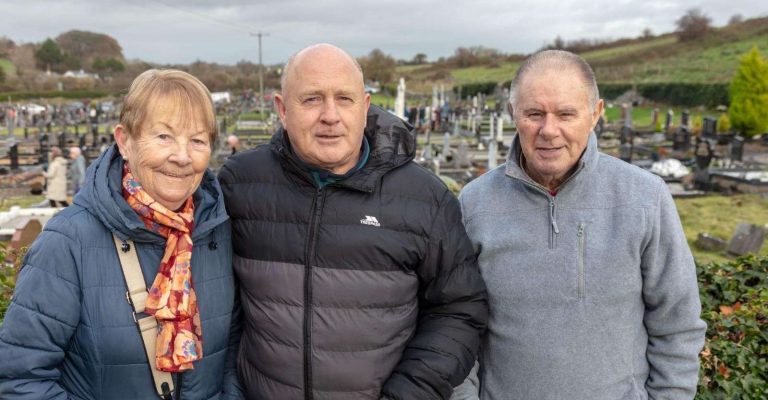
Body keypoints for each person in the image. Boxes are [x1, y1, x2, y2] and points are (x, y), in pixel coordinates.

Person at [218, 43, 488, 400]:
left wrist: (409, 393)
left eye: (344, 99)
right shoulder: (240, 184)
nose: (330, 116)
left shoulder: (425, 199)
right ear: (282, 109)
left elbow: (459, 309)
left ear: (365, 106)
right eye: (312, 99)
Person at [453, 50, 706, 400]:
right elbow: (456, 322)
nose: (548, 130)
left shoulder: (645, 197)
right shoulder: (474, 203)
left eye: (565, 114)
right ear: (513, 113)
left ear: (595, 114)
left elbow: (677, 322)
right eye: (534, 114)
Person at [0, 69, 243, 399]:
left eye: (197, 140)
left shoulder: (218, 232)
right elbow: (20, 378)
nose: (182, 156)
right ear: (124, 141)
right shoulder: (68, 241)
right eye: (164, 136)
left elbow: (233, 351)